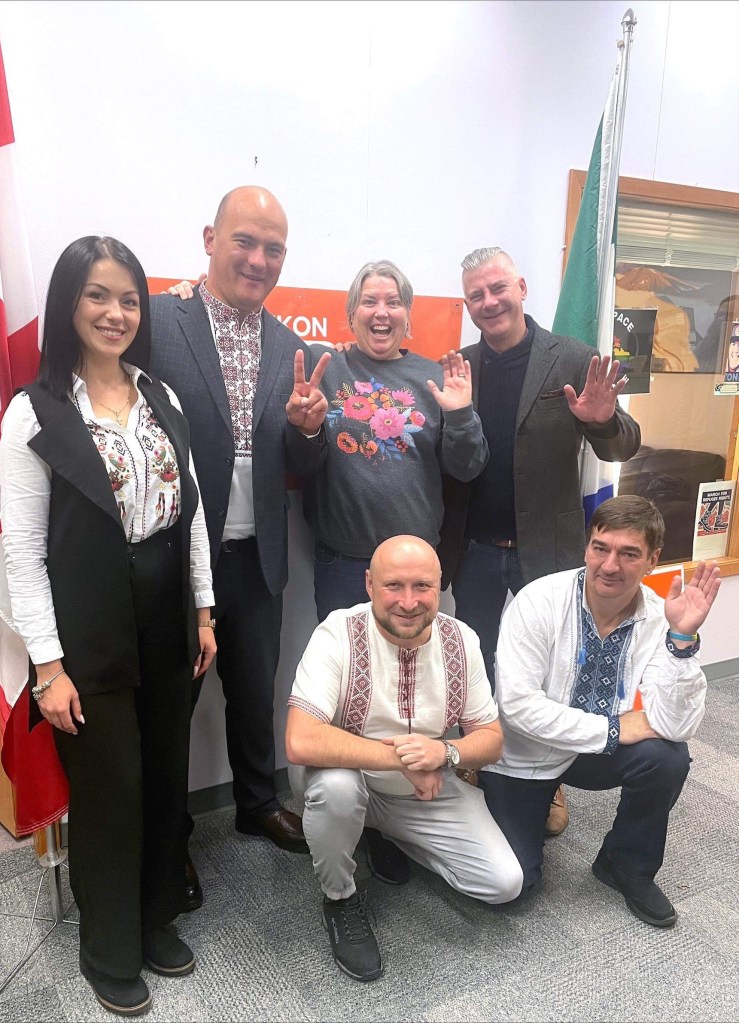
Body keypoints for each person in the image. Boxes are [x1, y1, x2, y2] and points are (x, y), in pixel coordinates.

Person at [0, 236, 216, 1016]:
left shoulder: (162, 397)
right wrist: (47, 666)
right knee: (111, 785)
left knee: (163, 773)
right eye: (97, 295)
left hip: (166, 612)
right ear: (69, 303)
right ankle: (109, 946)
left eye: (128, 298)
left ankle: (155, 917)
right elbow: (22, 551)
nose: (115, 312)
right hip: (86, 622)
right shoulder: (36, 411)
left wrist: (203, 606)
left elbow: (192, 512)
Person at [150, 187, 330, 901]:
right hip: (178, 563)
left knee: (256, 692)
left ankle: (257, 803)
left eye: (273, 249)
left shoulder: (291, 346)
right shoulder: (159, 319)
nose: (258, 260)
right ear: (210, 239)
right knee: (171, 706)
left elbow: (302, 464)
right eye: (244, 241)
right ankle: (170, 833)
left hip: (258, 559)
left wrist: (309, 431)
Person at [442, 246, 642, 835]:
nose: (489, 302)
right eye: (476, 295)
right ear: (468, 305)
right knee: (478, 661)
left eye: (498, 288)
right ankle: (480, 758)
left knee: (554, 670)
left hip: (549, 551)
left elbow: (624, 444)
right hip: (476, 550)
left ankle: (549, 780)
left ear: (522, 287)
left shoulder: (572, 357)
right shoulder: (460, 367)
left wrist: (602, 419)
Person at [285, 535, 523, 982]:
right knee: (337, 791)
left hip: (423, 789)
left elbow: (491, 740)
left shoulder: (461, 640)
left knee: (503, 884)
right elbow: (300, 740)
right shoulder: (338, 633)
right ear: (369, 584)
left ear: (439, 586)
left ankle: (382, 832)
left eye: (422, 587)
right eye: (393, 585)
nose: (409, 602)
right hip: (351, 778)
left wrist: (445, 752)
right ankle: (340, 899)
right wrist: (406, 761)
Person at [477, 495, 721, 928]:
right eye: (600, 548)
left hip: (591, 753)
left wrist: (682, 640)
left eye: (629, 554)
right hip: (527, 753)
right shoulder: (539, 601)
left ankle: (625, 864)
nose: (610, 565)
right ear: (587, 546)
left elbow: (678, 725)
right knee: (514, 884)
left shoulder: (659, 615)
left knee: (667, 757)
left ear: (652, 560)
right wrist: (612, 730)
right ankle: (513, 790)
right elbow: (516, 707)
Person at [303, 261, 488, 622]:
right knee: (346, 657)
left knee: (410, 659)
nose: (382, 312)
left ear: (407, 315)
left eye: (393, 302)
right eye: (369, 301)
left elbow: (467, 469)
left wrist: (461, 415)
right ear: (351, 314)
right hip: (342, 564)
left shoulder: (435, 377)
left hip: (413, 566)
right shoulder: (324, 365)